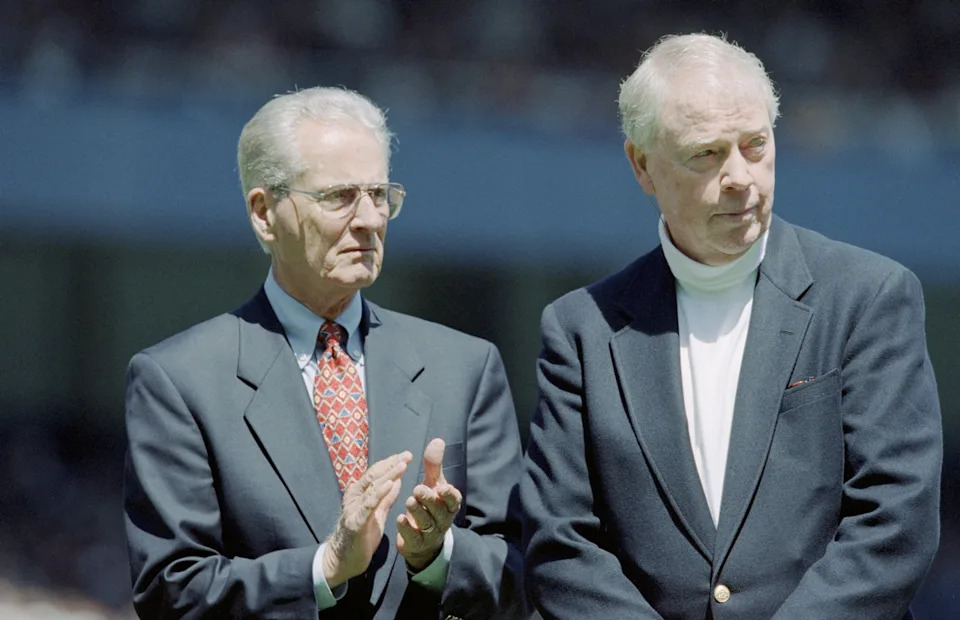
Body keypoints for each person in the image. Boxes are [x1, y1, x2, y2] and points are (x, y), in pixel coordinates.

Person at [521, 33, 942, 619]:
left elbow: (896, 520)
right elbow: (560, 544)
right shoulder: (580, 329)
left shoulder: (870, 297)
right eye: (707, 153)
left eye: (755, 145)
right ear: (642, 165)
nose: (741, 176)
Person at [124, 86, 527, 619]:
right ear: (265, 213)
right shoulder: (178, 381)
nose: (369, 219)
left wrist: (438, 555)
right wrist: (325, 566)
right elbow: (172, 592)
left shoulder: (466, 368)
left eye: (379, 195)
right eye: (339, 196)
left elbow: (523, 572)